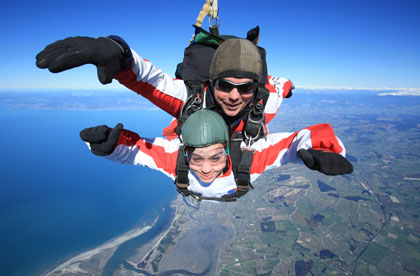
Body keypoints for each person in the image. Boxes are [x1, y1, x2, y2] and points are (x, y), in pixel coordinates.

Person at [36, 32, 293, 140]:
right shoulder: (192, 100)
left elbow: (279, 85)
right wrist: (120, 56)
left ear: (256, 88)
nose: (235, 96)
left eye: (246, 88)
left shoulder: (265, 103)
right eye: (225, 85)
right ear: (210, 83)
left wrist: (288, 86)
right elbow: (153, 81)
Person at [79, 110, 353, 201]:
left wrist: (323, 149)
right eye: (197, 158)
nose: (206, 168)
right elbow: (136, 150)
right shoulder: (175, 159)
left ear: (227, 150)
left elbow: (296, 142)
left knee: (270, 99)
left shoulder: (250, 158)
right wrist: (106, 146)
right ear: (186, 152)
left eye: (216, 157)